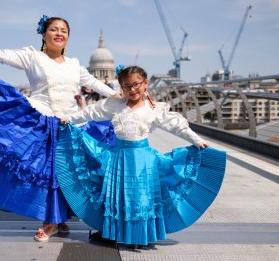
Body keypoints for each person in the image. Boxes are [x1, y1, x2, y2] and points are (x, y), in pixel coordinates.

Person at [0, 15, 119, 242]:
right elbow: (2, 56)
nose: (59, 34)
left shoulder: (74, 65)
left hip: (69, 123)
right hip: (39, 119)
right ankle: (50, 220)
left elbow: (94, 83)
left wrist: (121, 96)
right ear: (44, 33)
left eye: (64, 31)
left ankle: (59, 218)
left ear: (68, 37)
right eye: (54, 29)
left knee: (65, 170)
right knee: (47, 170)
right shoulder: (32, 56)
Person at [56, 65, 226, 246]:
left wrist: (197, 140)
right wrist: (69, 119)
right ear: (121, 88)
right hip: (118, 158)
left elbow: (176, 125)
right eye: (127, 86)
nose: (132, 90)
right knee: (117, 195)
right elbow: (91, 113)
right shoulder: (114, 105)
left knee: (141, 197)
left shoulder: (154, 108)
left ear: (145, 84)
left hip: (144, 161)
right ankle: (115, 231)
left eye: (136, 84)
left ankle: (138, 234)